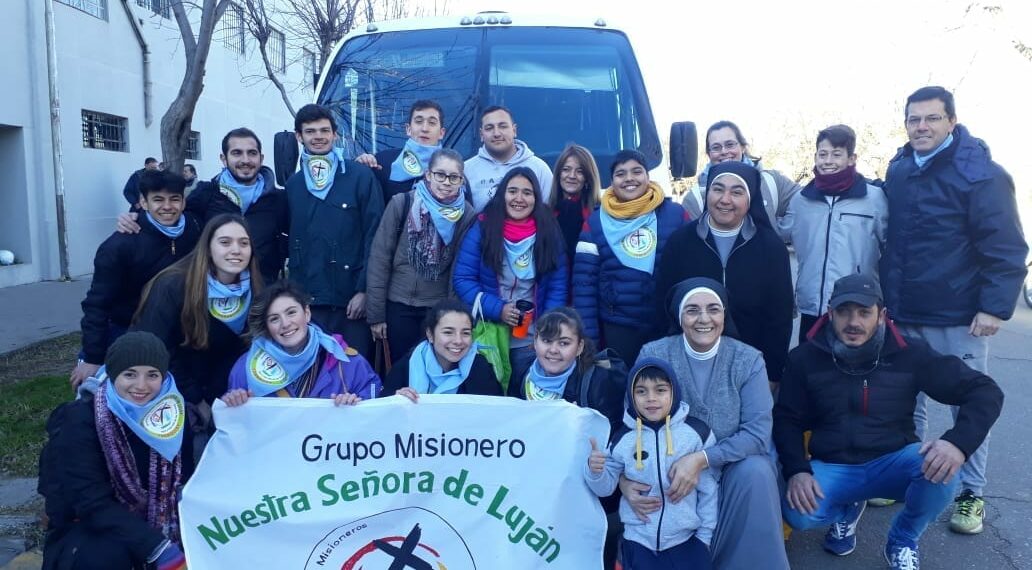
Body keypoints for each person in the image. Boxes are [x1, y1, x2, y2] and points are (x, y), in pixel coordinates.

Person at [775, 274, 1003, 569]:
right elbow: (786, 418)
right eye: (843, 312)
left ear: (881, 316)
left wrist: (957, 444)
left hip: (894, 460)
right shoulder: (804, 358)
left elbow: (985, 391)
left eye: (864, 312)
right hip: (834, 464)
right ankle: (847, 510)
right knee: (798, 513)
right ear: (830, 314)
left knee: (944, 473)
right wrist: (797, 470)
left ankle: (903, 539)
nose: (853, 322)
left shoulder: (909, 353)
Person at [880, 86, 1028, 534]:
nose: (921, 126)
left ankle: (970, 493)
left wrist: (994, 307)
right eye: (913, 119)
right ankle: (910, 474)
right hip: (905, 311)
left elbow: (1006, 246)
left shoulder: (982, 174)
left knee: (967, 406)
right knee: (907, 403)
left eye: (931, 118)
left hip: (959, 316)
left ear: (952, 122)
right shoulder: (901, 169)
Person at [629, 277, 789, 570]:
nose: (704, 319)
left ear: (724, 315)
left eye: (713, 309)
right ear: (679, 317)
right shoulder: (653, 354)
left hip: (729, 470)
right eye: (692, 310)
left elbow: (757, 433)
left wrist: (702, 459)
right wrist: (624, 481)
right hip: (668, 475)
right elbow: (631, 425)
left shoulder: (748, 360)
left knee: (758, 470)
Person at [41, 332, 192, 570]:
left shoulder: (175, 416)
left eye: (152, 375)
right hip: (90, 528)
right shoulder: (80, 420)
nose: (141, 386)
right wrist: (156, 547)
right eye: (129, 374)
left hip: (160, 524)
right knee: (106, 556)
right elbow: (91, 502)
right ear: (112, 375)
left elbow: (187, 480)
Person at [507, 306, 626, 569]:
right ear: (534, 341)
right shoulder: (522, 374)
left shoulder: (598, 379)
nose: (553, 350)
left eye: (564, 343)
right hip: (537, 485)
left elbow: (616, 433)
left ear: (580, 347)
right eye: (546, 340)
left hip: (585, 488)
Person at [654, 161, 793, 386]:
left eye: (737, 192)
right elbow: (663, 306)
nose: (725, 199)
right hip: (688, 363)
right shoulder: (681, 242)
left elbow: (780, 317)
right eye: (718, 189)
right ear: (707, 192)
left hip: (750, 366)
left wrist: (772, 374)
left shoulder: (771, 248)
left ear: (751, 199)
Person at [72, 170, 202, 388]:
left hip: (177, 329)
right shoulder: (120, 245)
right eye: (158, 200)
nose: (167, 207)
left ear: (183, 201)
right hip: (127, 330)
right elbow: (97, 304)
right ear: (143, 201)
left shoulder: (194, 229)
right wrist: (93, 357)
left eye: (174, 199)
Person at [585, 357, 718, 570]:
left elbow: (708, 489)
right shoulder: (622, 438)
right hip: (638, 542)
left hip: (687, 541)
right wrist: (595, 471)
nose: (651, 398)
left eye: (660, 390)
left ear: (674, 392)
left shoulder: (696, 434)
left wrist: (704, 537)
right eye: (641, 391)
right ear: (631, 396)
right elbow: (605, 488)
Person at [117, 128, 289, 285]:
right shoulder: (206, 193)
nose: (245, 160)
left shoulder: (279, 199)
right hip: (212, 295)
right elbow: (172, 221)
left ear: (261, 158)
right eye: (237, 153)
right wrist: (138, 219)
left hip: (263, 293)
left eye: (252, 153)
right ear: (224, 158)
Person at [286, 104, 385, 360]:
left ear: (335, 134)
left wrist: (364, 290)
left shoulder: (360, 177)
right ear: (299, 136)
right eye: (310, 131)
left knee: (353, 372)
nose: (318, 136)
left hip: (351, 302)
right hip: (308, 304)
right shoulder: (294, 185)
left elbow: (375, 237)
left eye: (324, 130)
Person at [133, 214, 262, 405]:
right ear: (208, 248)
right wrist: (195, 400)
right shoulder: (172, 285)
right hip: (173, 389)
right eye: (225, 242)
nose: (236, 250)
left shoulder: (257, 288)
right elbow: (155, 348)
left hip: (228, 394)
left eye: (244, 243)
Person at [452, 167, 568, 377]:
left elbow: (557, 285)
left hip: (532, 339)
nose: (519, 198)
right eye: (512, 191)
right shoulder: (483, 226)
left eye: (527, 192)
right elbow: (463, 279)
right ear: (502, 194)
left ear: (536, 197)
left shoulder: (549, 229)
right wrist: (499, 309)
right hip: (490, 332)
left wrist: (546, 327)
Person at [573, 149, 686, 365]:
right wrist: (590, 344)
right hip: (618, 327)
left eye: (637, 171)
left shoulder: (677, 214)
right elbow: (583, 286)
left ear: (647, 176)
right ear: (612, 180)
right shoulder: (595, 222)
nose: (629, 179)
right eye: (621, 173)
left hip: (667, 324)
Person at [777, 124, 888, 343]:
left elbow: (889, 245)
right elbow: (781, 232)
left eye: (836, 155)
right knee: (811, 369)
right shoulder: (801, 201)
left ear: (851, 158)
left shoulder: (874, 199)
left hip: (856, 306)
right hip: (812, 303)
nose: (828, 161)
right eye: (823, 154)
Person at [366, 148, 476, 362]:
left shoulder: (467, 215)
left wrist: (451, 316)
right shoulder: (402, 203)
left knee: (435, 369)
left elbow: (458, 268)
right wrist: (376, 315)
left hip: (436, 307)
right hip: (398, 304)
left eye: (453, 177)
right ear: (428, 175)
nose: (446, 182)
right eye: (440, 174)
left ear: (461, 180)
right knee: (401, 368)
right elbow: (380, 259)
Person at [224, 280, 381, 405]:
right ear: (267, 327)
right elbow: (236, 426)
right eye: (274, 319)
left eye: (291, 312)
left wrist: (356, 404)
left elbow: (376, 404)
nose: (285, 324)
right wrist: (234, 402)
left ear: (306, 313)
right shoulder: (247, 367)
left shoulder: (347, 361)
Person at [681, 120, 802, 225]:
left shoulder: (773, 183)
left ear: (743, 147)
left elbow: (807, 204)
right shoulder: (694, 199)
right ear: (708, 154)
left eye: (730, 145)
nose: (724, 151)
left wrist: (784, 230)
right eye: (716, 147)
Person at [381, 299, 502, 398]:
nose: (458, 341)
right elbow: (383, 413)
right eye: (448, 332)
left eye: (465, 333)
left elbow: (495, 414)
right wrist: (396, 401)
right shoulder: (407, 366)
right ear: (430, 334)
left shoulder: (480, 367)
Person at [464, 106, 554, 211]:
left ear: (514, 130)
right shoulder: (466, 170)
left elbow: (548, 213)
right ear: (481, 135)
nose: (496, 133)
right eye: (489, 128)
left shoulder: (539, 168)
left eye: (503, 126)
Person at [355, 100, 448, 202]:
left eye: (432, 123)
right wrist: (359, 167)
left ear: (441, 133)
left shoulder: (452, 171)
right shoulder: (381, 162)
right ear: (408, 129)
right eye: (419, 121)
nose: (425, 128)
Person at [549, 144, 602, 274]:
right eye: (566, 169)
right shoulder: (545, 213)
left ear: (588, 178)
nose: (572, 176)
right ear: (558, 174)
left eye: (580, 171)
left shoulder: (598, 215)